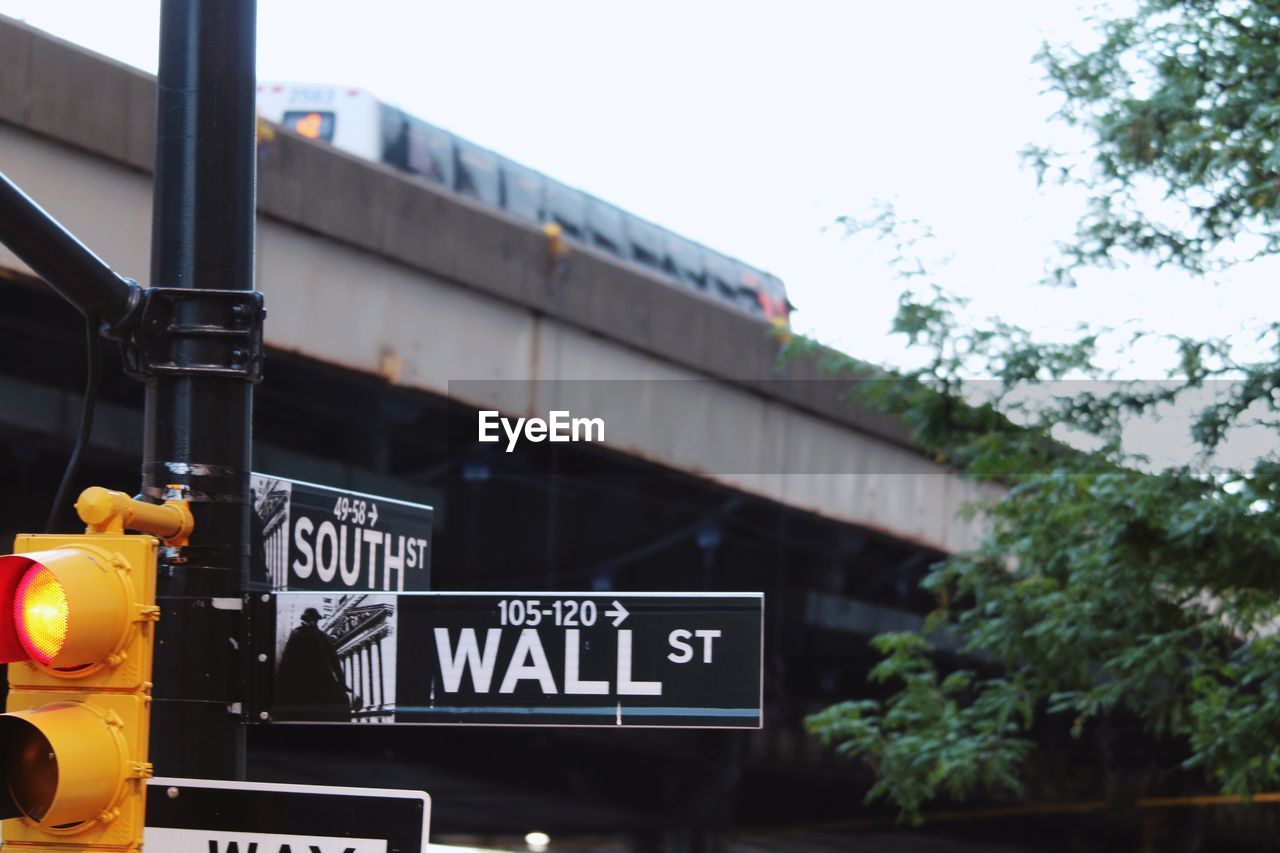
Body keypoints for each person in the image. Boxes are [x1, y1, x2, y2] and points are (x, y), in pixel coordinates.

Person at [274, 608, 351, 721]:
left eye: (313, 620)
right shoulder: (321, 636)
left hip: (306, 687)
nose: (313, 622)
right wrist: (342, 684)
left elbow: (287, 663)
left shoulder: (299, 634)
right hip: (318, 686)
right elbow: (335, 663)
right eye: (312, 620)